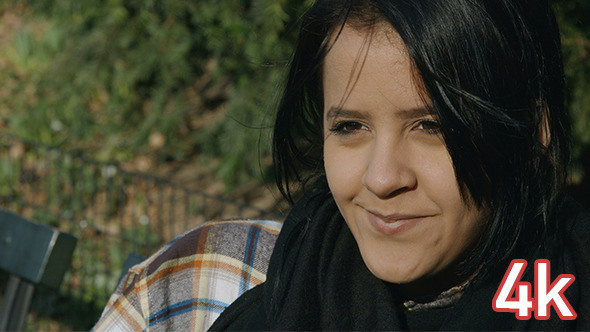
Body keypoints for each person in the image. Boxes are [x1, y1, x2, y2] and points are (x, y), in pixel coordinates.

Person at [95, 0, 590, 330]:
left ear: (532, 133)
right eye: (351, 127)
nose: (382, 178)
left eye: (432, 127)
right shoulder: (197, 288)